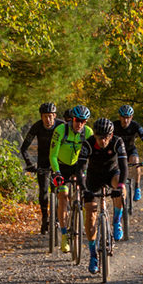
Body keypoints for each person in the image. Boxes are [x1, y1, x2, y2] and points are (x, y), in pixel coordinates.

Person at [77, 117, 127, 274]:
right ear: (95, 136)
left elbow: (124, 166)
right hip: (93, 178)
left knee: (121, 186)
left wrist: (119, 187)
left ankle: (117, 221)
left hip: (112, 173)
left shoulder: (118, 142)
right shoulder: (88, 144)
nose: (103, 141)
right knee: (90, 216)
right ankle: (93, 255)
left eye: (106, 137)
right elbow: (80, 169)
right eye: (100, 137)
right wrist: (84, 189)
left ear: (111, 136)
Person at [49, 104, 93, 252]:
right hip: (62, 166)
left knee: (86, 192)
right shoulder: (60, 130)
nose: (79, 123)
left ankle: (85, 222)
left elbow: (93, 156)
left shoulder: (88, 132)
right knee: (63, 195)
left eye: (83, 121)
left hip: (79, 166)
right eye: (77, 120)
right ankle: (63, 235)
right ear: (72, 119)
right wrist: (57, 172)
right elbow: (53, 155)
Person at [21, 102, 62, 234]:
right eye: (45, 116)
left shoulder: (62, 126)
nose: (48, 119)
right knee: (44, 191)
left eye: (50, 116)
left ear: (54, 116)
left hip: (58, 162)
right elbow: (24, 148)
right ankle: (45, 217)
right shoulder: (37, 126)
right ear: (41, 117)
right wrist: (29, 164)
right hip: (43, 161)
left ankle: (56, 217)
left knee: (58, 191)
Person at [112, 104, 143, 201]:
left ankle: (137, 187)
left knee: (135, 161)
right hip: (117, 151)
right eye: (123, 118)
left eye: (128, 118)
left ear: (131, 117)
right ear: (119, 117)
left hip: (130, 150)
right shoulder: (114, 126)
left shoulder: (135, 126)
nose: (125, 121)